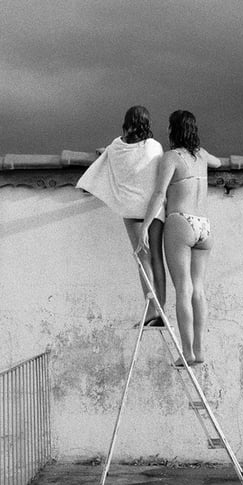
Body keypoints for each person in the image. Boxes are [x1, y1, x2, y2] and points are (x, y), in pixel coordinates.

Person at [139, 110, 221, 367]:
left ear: (174, 130)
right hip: (204, 227)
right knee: (199, 289)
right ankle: (200, 349)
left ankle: (187, 352)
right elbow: (218, 163)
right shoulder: (203, 156)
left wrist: (145, 226)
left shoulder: (171, 157)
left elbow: (159, 194)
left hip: (181, 222)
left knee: (183, 289)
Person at [77, 106, 166, 326]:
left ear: (126, 123)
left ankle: (151, 310)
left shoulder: (115, 147)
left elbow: (104, 164)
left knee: (142, 260)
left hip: (131, 211)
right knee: (157, 258)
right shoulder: (155, 147)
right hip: (154, 210)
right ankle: (160, 309)